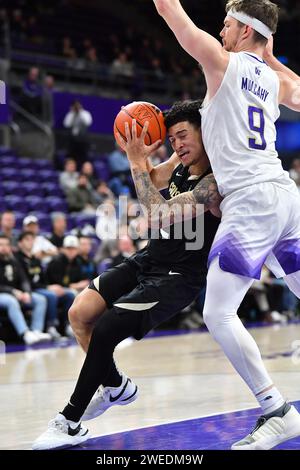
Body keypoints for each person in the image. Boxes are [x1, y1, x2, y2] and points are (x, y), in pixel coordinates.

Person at [123, 0, 300, 450]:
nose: (220, 31)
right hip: (285, 196)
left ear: (243, 30)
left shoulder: (222, 64)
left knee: (218, 312)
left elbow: (169, 11)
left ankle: (276, 411)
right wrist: (272, 56)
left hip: (251, 202)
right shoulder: (274, 80)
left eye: (226, 24)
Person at [32, 100, 221, 450]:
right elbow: (149, 181)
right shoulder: (180, 162)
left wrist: (135, 162)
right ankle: (117, 386)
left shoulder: (213, 183)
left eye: (183, 135)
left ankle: (69, 421)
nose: (177, 144)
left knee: (106, 328)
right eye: (173, 138)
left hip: (177, 277)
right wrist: (141, 156)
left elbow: (157, 212)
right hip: (150, 258)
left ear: (204, 133)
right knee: (80, 313)